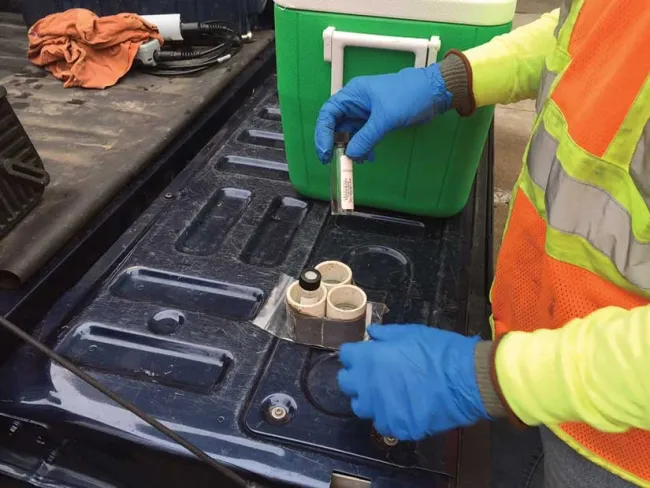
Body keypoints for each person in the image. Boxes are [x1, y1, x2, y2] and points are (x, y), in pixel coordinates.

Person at [313, 1, 650, 487]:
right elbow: (593, 33)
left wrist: (488, 379)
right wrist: (453, 79)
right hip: (530, 353)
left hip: (619, 451)